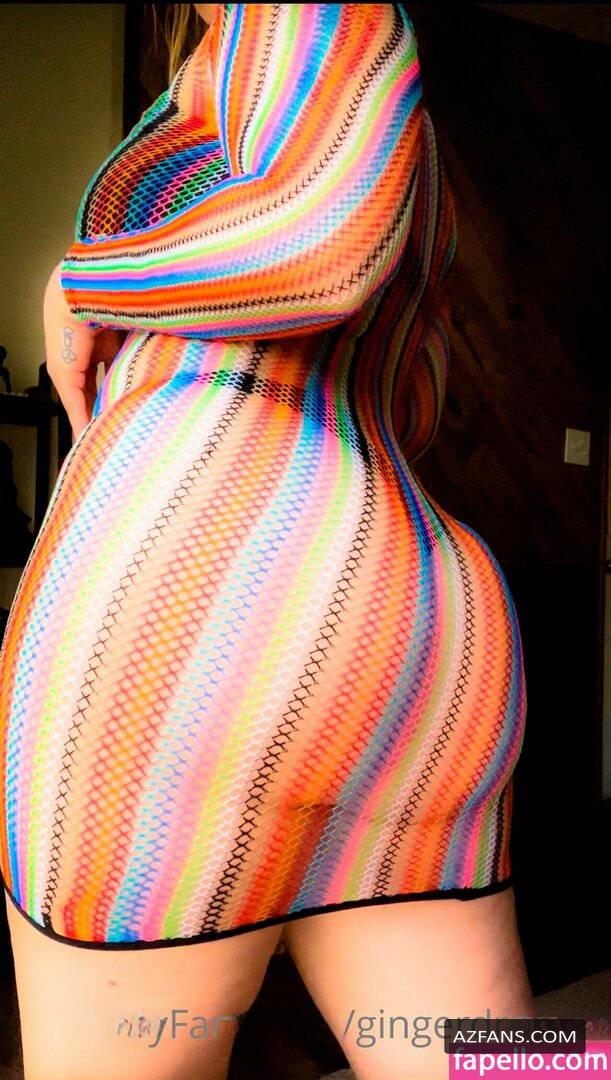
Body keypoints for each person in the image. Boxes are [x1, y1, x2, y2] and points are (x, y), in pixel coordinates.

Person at [0, 4, 535, 1078]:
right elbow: (415, 392)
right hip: (419, 619)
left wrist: (83, 281)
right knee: (500, 1061)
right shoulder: (347, 87)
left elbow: (321, 245)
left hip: (186, 626)